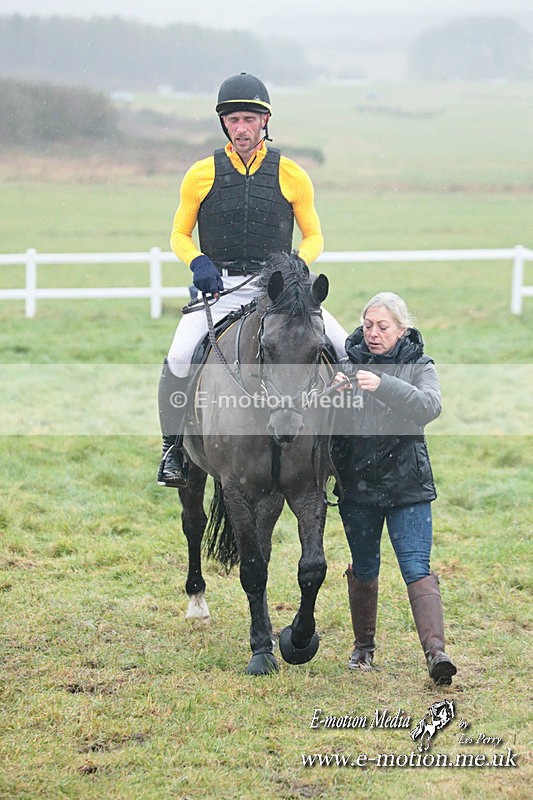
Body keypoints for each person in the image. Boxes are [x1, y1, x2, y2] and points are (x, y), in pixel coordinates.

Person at [158, 72, 347, 487]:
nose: (241, 128)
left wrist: (298, 261)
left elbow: (314, 234)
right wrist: (198, 263)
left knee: (342, 347)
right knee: (177, 357)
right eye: (233, 120)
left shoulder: (293, 174)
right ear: (224, 124)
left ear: (265, 121)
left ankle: (344, 447)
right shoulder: (200, 174)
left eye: (249, 119)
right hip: (219, 289)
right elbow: (178, 234)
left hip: (276, 292)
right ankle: (173, 448)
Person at [331, 292, 457, 685]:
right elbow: (321, 422)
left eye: (383, 327)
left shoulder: (420, 365)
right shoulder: (347, 363)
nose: (373, 333)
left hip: (407, 487)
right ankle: (363, 651)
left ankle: (436, 654)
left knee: (416, 568)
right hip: (358, 487)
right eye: (368, 325)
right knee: (365, 567)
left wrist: (381, 384)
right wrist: (331, 394)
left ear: (402, 329)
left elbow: (428, 407)